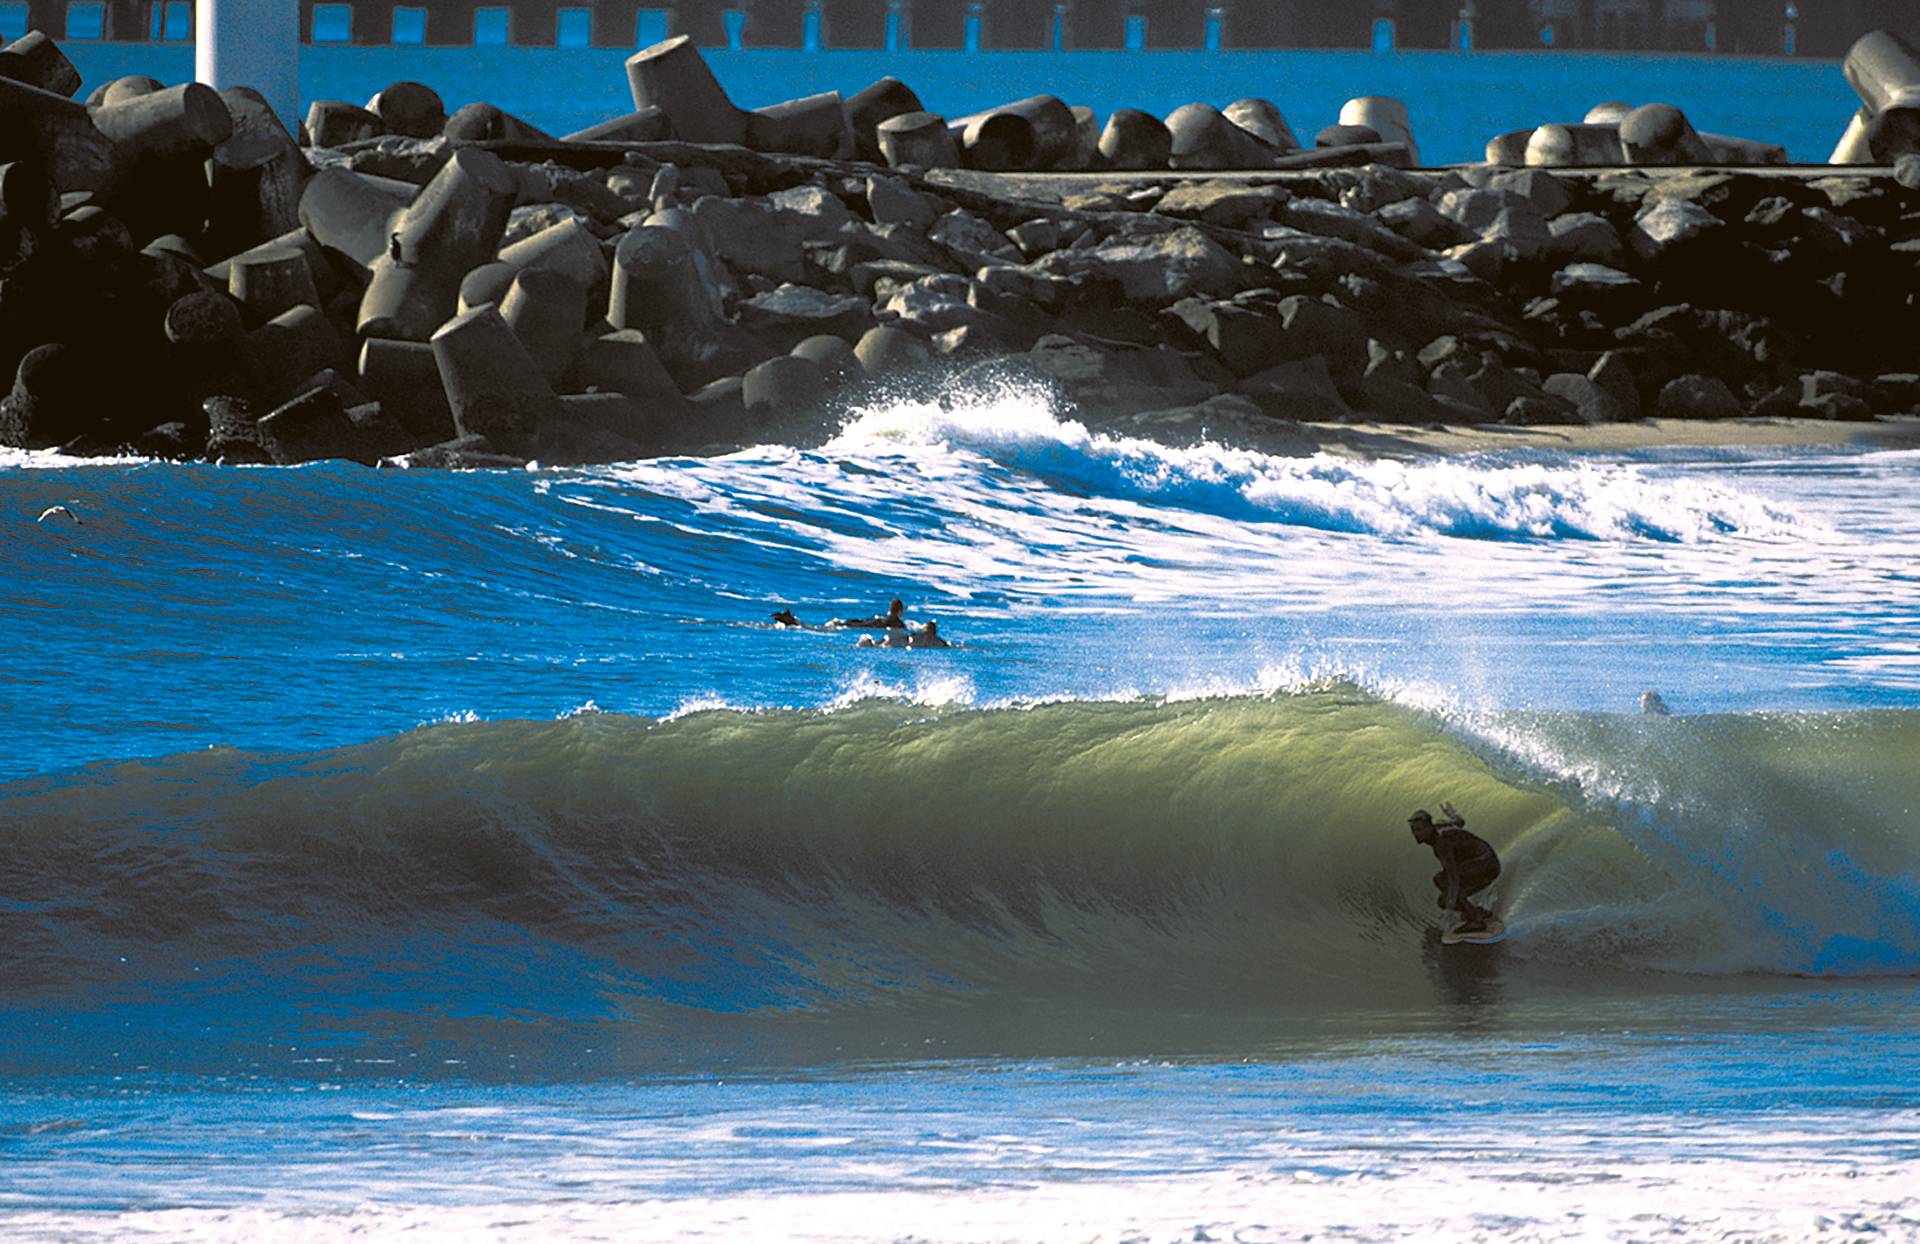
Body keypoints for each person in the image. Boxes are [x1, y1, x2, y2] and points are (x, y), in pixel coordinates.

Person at [1409, 802, 1500, 934]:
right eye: (1414, 830)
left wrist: (1449, 910)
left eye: (1420, 830)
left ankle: (1476, 920)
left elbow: (1453, 878)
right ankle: (1477, 912)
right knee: (1442, 899)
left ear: (1429, 827)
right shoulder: (1439, 826)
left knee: (1443, 883)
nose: (1416, 834)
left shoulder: (1442, 844)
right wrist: (1451, 814)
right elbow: (1460, 822)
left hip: (1485, 865)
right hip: (1486, 862)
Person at [838, 598, 907, 630]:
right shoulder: (898, 623)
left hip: (876, 621)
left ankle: (840, 622)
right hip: (878, 625)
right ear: (900, 611)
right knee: (860, 625)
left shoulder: (883, 617)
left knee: (860, 622)